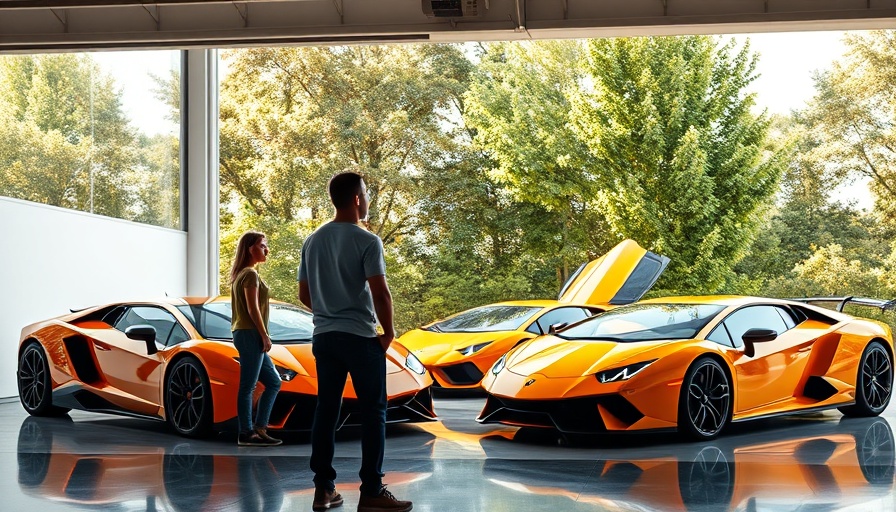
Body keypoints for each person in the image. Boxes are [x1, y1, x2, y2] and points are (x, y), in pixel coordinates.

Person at [298, 172, 412, 512]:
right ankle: (372, 491)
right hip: (361, 339)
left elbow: (305, 294)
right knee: (374, 412)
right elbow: (380, 292)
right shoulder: (367, 241)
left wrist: (330, 312)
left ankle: (323, 490)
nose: (368, 200)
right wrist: (388, 333)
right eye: (367, 194)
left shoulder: (313, 240)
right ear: (358, 199)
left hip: (324, 337)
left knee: (327, 410)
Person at [230, 230, 282, 447]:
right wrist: (264, 335)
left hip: (245, 333)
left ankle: (259, 428)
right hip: (250, 333)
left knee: (274, 382)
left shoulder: (243, 274)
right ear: (250, 248)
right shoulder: (249, 275)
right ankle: (246, 433)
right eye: (262, 245)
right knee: (248, 386)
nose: (266, 249)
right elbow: (253, 309)